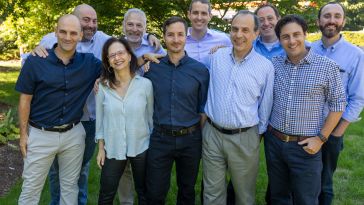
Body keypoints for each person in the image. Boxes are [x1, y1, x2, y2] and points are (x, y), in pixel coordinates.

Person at [28, 4, 161, 205]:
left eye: (94, 20)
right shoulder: (50, 40)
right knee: (59, 174)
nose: (91, 25)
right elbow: (31, 71)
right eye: (85, 20)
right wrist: (35, 50)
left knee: (79, 171)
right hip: (60, 120)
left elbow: (124, 51)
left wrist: (149, 35)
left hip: (91, 119)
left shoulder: (104, 40)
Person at [16, 14, 101, 205]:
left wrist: (145, 54)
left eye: (73, 33)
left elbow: (118, 66)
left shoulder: (89, 63)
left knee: (70, 188)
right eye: (63, 32)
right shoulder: (36, 61)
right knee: (31, 189)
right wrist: (23, 134)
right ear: (55, 32)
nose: (67, 37)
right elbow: (24, 100)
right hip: (40, 134)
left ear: (80, 36)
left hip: (74, 134)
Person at [265, 14, 346, 205]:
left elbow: (338, 104)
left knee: (306, 199)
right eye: (285, 37)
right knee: (278, 198)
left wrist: (321, 138)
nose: (292, 41)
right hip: (275, 143)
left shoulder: (327, 67)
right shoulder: (274, 64)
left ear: (305, 34)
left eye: (296, 35)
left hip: (306, 147)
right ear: (279, 39)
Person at [202, 10, 274, 205]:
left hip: (245, 136)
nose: (238, 35)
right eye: (234, 29)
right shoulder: (216, 57)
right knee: (211, 193)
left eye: (245, 30)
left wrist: (255, 136)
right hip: (212, 134)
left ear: (256, 33)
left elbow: (265, 106)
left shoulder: (265, 67)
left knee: (244, 194)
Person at [144, 16, 209, 204]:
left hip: (190, 139)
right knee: (155, 192)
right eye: (170, 34)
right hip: (160, 138)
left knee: (187, 190)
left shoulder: (200, 70)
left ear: (186, 36)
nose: (176, 39)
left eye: (180, 34)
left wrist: (196, 134)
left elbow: (202, 108)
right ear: (164, 37)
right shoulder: (152, 68)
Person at [310, 2, 364, 205]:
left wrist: (337, 132)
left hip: (332, 131)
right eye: (326, 15)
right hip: (305, 129)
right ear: (318, 21)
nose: (331, 20)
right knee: (304, 180)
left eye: (336, 16)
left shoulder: (356, 55)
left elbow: (358, 97)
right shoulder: (308, 49)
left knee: (324, 184)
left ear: (343, 21)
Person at [115, 8, 166, 205]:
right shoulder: (115, 47)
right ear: (123, 26)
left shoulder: (155, 48)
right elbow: (116, 72)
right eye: (130, 24)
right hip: (120, 114)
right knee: (123, 165)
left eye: (139, 25)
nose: (134, 29)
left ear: (145, 28)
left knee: (146, 162)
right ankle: (126, 201)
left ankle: (147, 199)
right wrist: (142, 59)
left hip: (148, 117)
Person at [95, 37, 153, 205]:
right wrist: (101, 149)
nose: (117, 58)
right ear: (108, 62)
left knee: (144, 192)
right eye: (111, 55)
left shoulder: (145, 85)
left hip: (141, 146)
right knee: (106, 194)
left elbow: (150, 119)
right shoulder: (102, 88)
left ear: (129, 56)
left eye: (120, 53)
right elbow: (100, 121)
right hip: (113, 148)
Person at [185, 0, 231, 66]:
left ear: (210, 16)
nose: (199, 17)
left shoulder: (223, 39)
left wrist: (225, 50)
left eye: (203, 13)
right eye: (195, 13)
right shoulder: (179, 39)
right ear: (189, 15)